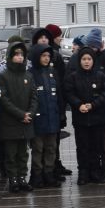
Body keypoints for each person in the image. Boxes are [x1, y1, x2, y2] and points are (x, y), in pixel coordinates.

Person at [66, 46, 105, 184]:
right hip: (80, 119)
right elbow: (69, 92)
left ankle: (95, 171)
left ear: (93, 60)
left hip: (97, 117)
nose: (86, 62)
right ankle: (83, 172)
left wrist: (94, 104)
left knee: (96, 146)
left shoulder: (100, 75)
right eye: (84, 59)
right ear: (79, 61)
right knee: (82, 147)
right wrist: (78, 104)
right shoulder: (73, 76)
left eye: (89, 59)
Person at [0, 44, 36, 193]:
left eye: (22, 54)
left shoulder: (28, 75)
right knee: (11, 153)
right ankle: (13, 179)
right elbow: (4, 99)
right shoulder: (3, 76)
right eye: (16, 54)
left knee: (23, 152)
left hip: (26, 121)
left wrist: (30, 114)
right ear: (10, 56)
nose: (19, 57)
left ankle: (22, 177)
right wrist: (20, 114)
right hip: (10, 121)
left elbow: (34, 97)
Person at [31, 42, 65, 187]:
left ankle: (49, 173)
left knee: (51, 147)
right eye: (43, 55)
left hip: (53, 117)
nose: (46, 58)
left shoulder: (52, 72)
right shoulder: (31, 74)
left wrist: (61, 114)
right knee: (38, 148)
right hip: (38, 119)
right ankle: (37, 175)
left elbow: (59, 95)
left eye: (48, 56)